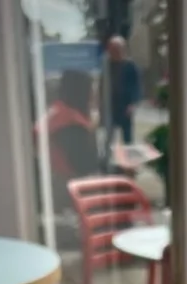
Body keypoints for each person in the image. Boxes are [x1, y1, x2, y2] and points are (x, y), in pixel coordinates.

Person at [33, 68, 99, 205]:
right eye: (91, 90)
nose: (94, 95)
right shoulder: (70, 122)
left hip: (53, 179)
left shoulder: (57, 111)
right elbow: (83, 165)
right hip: (67, 185)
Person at [106, 36, 141, 145]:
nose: (114, 53)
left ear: (123, 49)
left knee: (127, 137)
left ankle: (127, 159)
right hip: (110, 106)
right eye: (112, 50)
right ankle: (107, 159)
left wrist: (132, 104)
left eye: (117, 49)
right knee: (109, 136)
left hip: (125, 105)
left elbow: (137, 86)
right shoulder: (107, 66)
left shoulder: (130, 66)